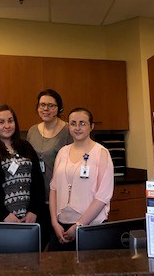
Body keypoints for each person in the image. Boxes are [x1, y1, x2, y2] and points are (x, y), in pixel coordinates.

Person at [48, 107, 115, 251]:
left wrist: (79, 225)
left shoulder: (101, 153)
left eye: (82, 123)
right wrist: (54, 222)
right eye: (73, 123)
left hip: (90, 227)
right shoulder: (62, 152)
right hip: (61, 226)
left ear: (92, 126)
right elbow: (53, 189)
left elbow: (103, 196)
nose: (77, 127)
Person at [0, 104, 45, 223]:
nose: (7, 126)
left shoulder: (26, 147)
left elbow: (38, 182)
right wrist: (3, 214)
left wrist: (34, 210)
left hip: (28, 220)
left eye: (10, 121)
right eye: (1, 122)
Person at [26, 89, 71, 247]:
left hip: (61, 199)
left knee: (59, 246)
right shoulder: (32, 131)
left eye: (51, 105)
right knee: (36, 246)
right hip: (37, 199)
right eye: (42, 105)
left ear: (59, 109)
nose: (46, 109)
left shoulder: (68, 130)